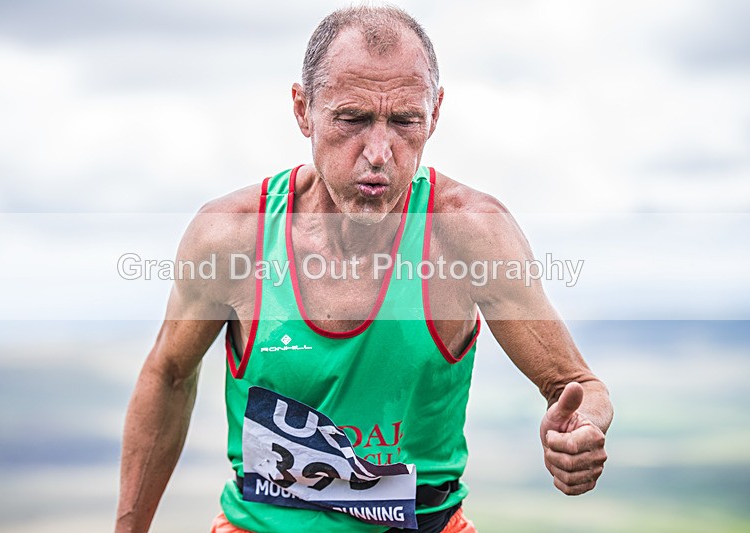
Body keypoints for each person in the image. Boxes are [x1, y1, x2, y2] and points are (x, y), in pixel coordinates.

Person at [116, 6, 612, 533]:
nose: (378, 153)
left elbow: (578, 385)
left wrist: (582, 430)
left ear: (435, 114)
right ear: (303, 110)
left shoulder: (469, 234)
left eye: (404, 121)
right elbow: (167, 375)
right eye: (352, 119)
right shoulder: (232, 234)